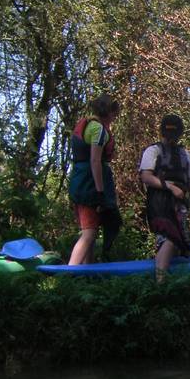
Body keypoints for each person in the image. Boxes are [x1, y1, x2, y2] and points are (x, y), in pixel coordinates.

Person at [138, 114, 190, 277]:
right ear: (162, 133)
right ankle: (160, 283)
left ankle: (170, 283)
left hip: (179, 205)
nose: (171, 139)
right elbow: (146, 177)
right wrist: (170, 187)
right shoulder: (153, 151)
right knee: (170, 238)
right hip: (159, 203)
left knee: (177, 243)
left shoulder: (184, 155)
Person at [68, 93, 122, 265]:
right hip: (89, 185)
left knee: (89, 230)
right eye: (114, 114)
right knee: (89, 233)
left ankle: (86, 275)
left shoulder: (87, 125)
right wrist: (100, 192)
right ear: (109, 112)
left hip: (79, 181)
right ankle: (69, 275)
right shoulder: (98, 130)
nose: (115, 117)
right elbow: (95, 160)